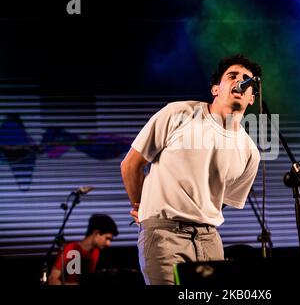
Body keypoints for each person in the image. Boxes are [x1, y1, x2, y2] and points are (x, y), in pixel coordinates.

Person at [120, 54, 261, 285]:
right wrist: (140, 206)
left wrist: (198, 207)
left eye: (246, 79)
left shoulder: (250, 152)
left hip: (209, 239)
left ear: (252, 98)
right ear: (215, 89)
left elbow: (221, 199)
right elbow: (131, 165)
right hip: (164, 234)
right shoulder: (178, 113)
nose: (239, 82)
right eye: (232, 76)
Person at [48, 214, 119, 285]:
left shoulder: (96, 252)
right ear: (96, 233)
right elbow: (52, 280)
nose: (108, 243)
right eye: (107, 238)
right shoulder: (70, 249)